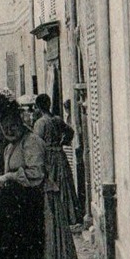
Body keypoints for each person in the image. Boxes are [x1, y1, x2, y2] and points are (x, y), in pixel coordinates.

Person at [0, 100, 89, 259]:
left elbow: (36, 173)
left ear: (20, 121)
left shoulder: (32, 142)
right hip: (20, 206)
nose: (9, 130)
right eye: (4, 127)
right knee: (16, 255)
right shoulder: (9, 147)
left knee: (40, 254)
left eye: (12, 124)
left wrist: (9, 177)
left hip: (40, 204)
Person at [32, 94, 81, 227]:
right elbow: (70, 132)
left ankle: (55, 218)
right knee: (64, 184)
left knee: (51, 184)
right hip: (60, 154)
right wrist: (63, 141)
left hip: (48, 157)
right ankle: (69, 216)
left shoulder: (40, 123)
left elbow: (36, 143)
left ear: (38, 107)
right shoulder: (57, 119)